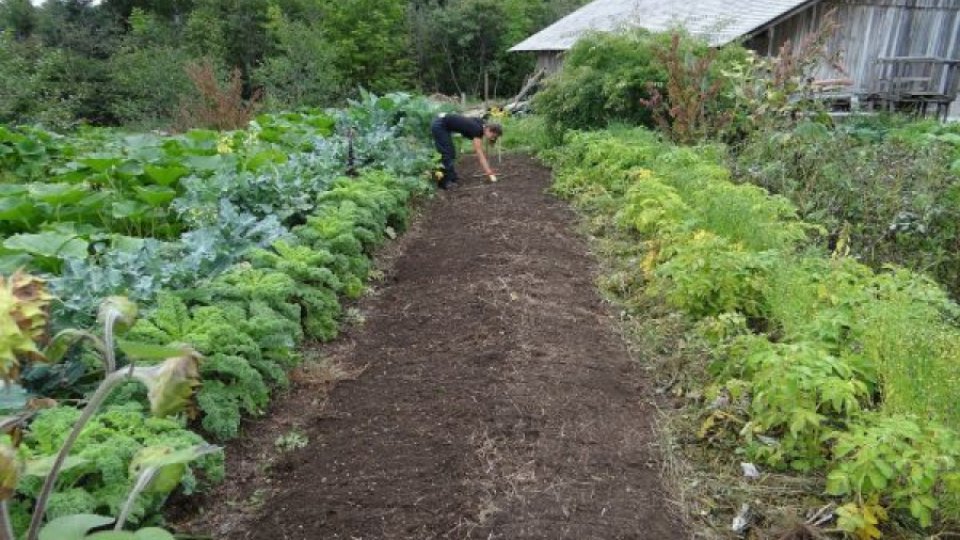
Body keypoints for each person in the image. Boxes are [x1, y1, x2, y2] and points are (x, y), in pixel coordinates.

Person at [431, 112, 502, 190]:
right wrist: (489, 172)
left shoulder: (482, 124)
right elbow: (480, 154)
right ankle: (444, 183)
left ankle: (452, 177)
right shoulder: (477, 130)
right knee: (446, 153)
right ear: (488, 129)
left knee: (451, 153)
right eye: (492, 136)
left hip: (442, 121)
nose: (492, 138)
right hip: (440, 125)